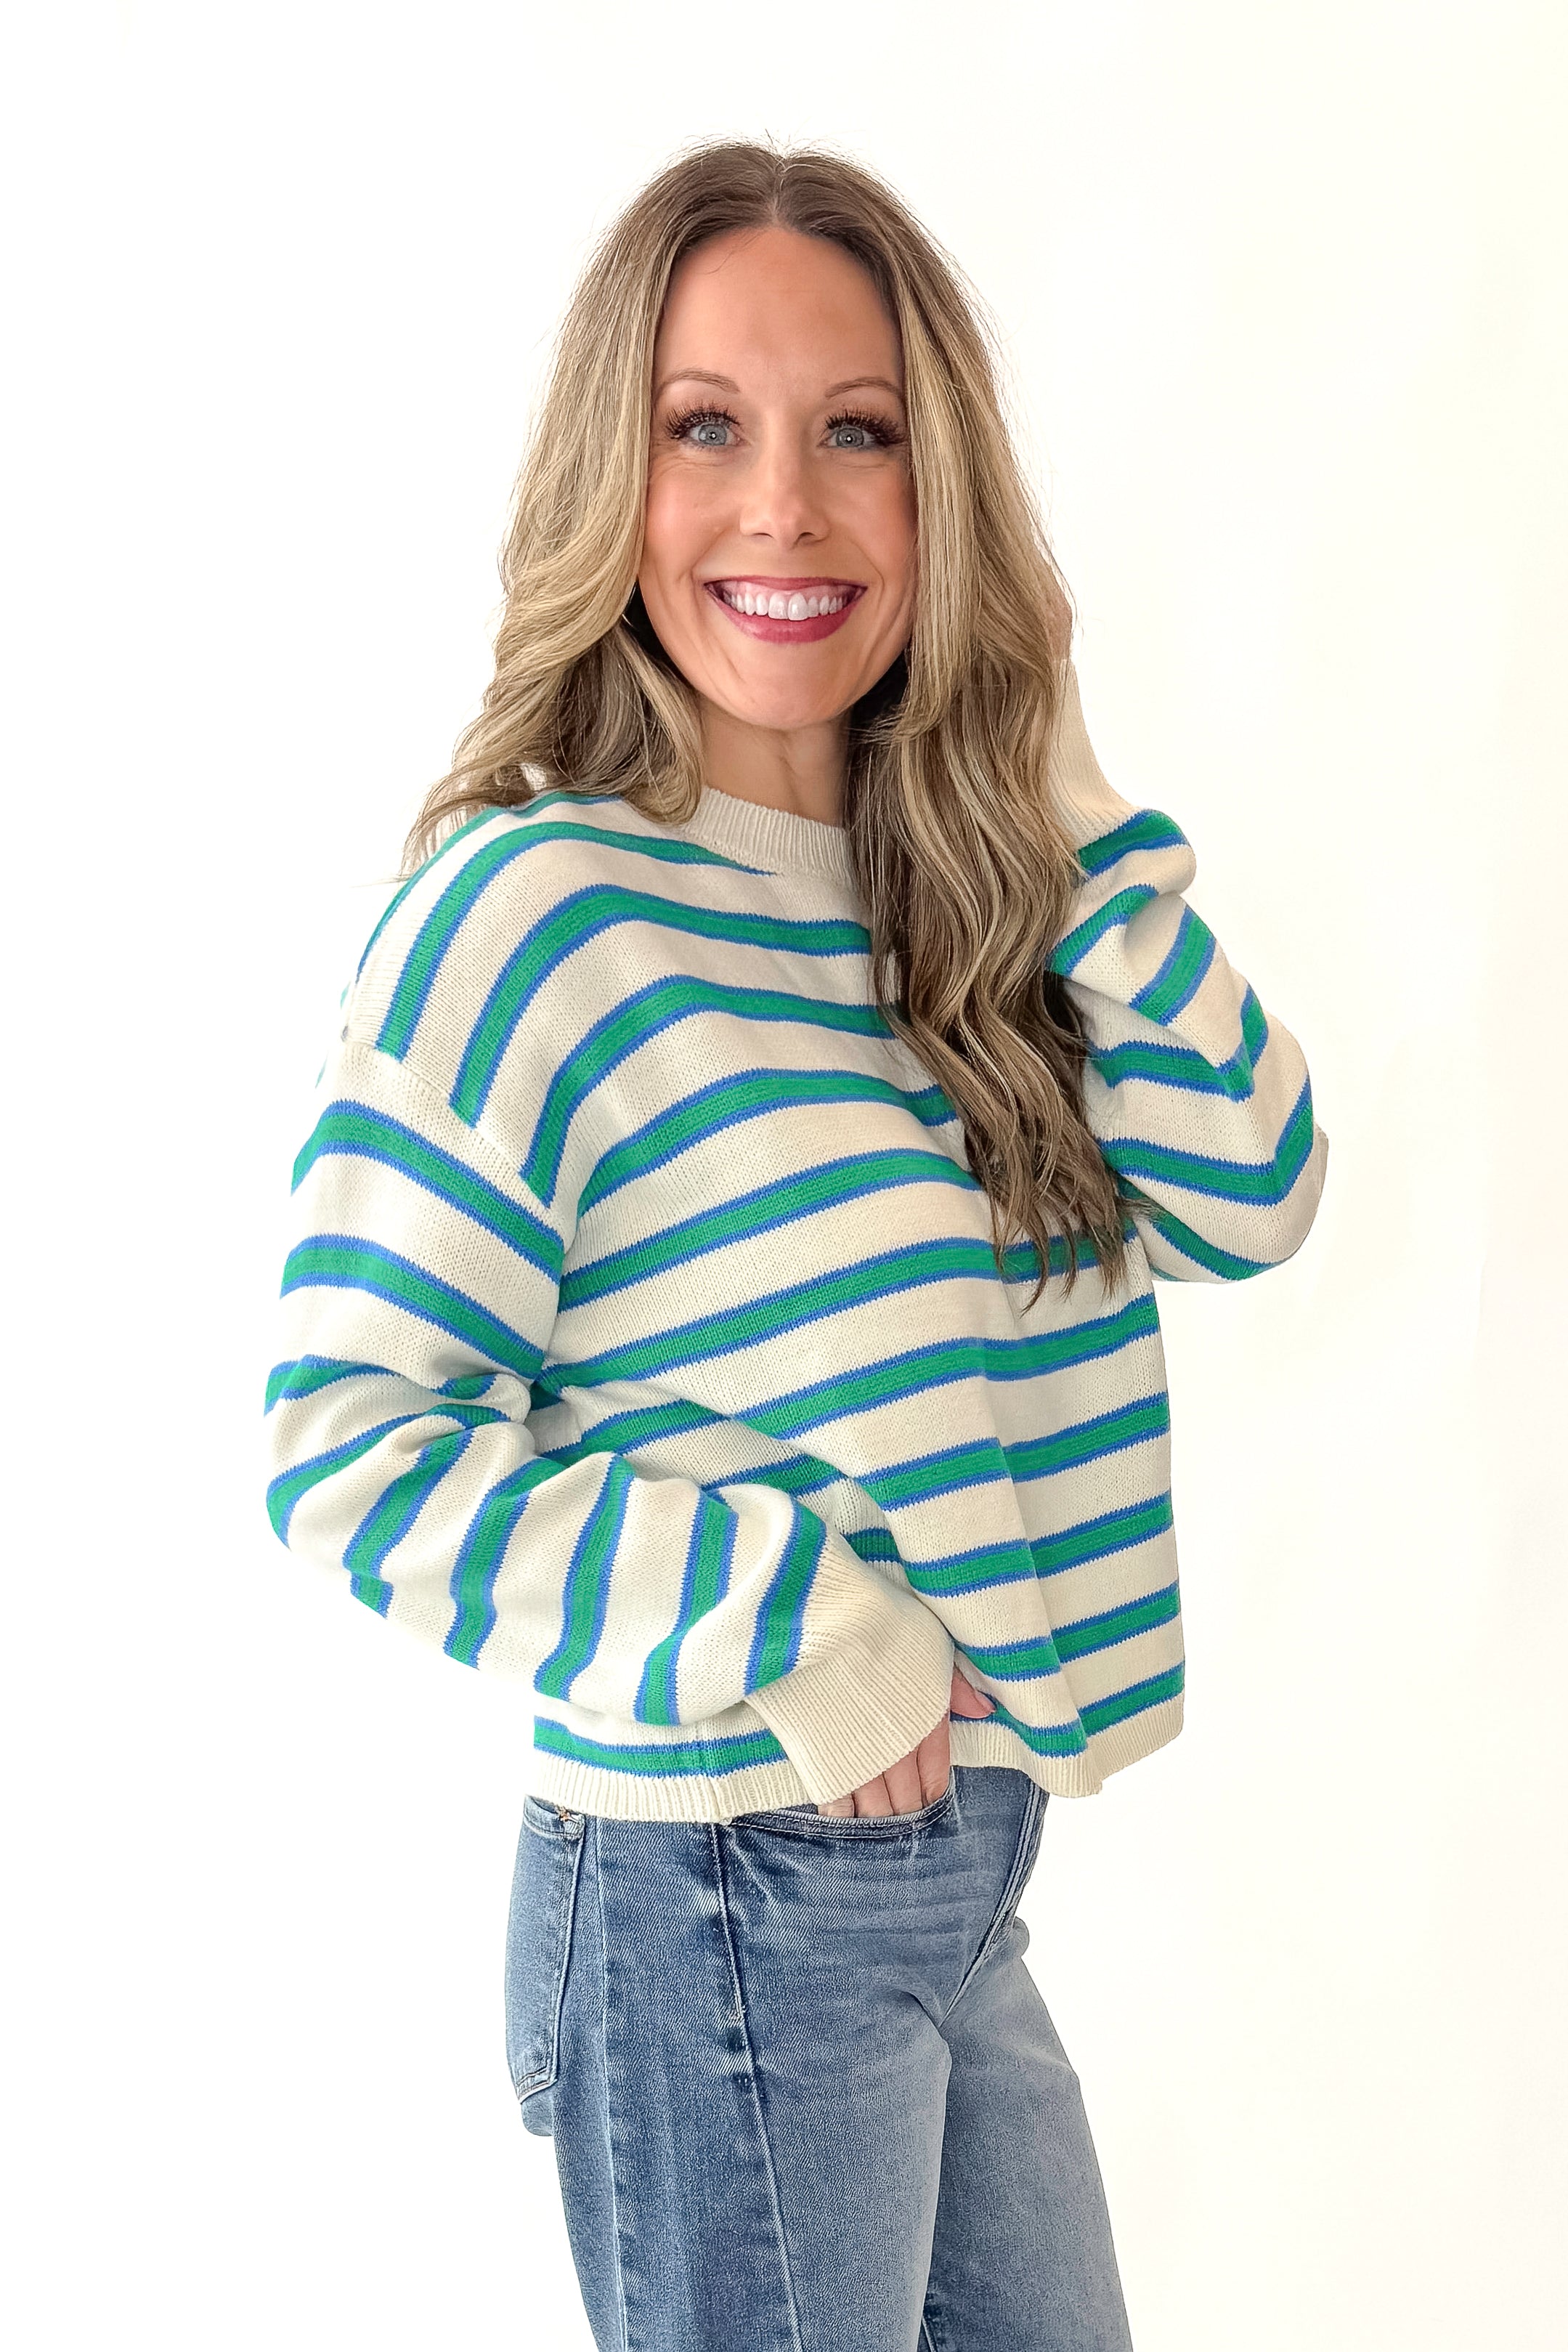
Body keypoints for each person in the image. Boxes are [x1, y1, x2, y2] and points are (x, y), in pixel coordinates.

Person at [264, 140, 1326, 2352]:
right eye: (705, 429)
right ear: (610, 479)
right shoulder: (538, 915)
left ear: (942, 486)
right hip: (718, 1888)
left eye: (861, 434)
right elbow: (347, 1441)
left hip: (959, 1885)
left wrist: (1044, 780)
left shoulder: (968, 897)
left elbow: (1258, 1188)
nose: (787, 507)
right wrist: (798, 1625)